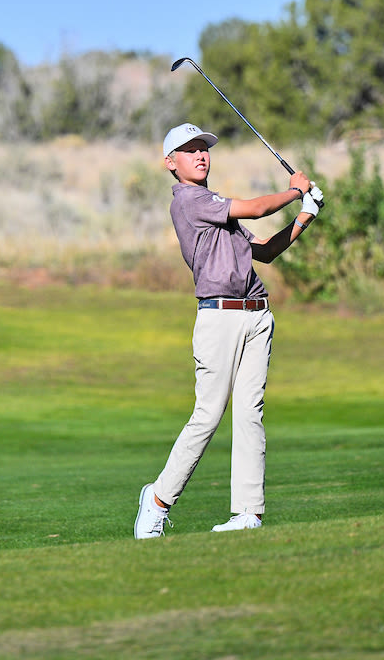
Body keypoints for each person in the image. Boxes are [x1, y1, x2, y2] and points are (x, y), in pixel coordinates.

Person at [134, 123, 322, 539]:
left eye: (204, 149)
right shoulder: (190, 201)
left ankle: (248, 512)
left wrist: (306, 214)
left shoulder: (220, 209)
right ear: (171, 163)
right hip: (219, 317)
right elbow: (257, 208)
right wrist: (295, 191)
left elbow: (268, 251)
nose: (200, 156)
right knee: (207, 416)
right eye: (190, 150)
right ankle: (159, 500)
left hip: (257, 315)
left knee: (249, 414)